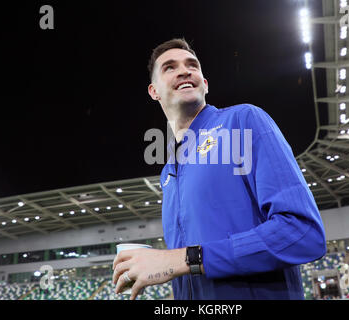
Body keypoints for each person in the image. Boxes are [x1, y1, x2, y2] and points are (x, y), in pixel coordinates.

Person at [112, 38, 326, 300]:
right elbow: (186, 271)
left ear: (205, 83)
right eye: (169, 67)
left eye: (192, 65)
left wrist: (185, 259)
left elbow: (302, 233)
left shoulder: (243, 121)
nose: (184, 70)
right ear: (153, 91)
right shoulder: (168, 173)